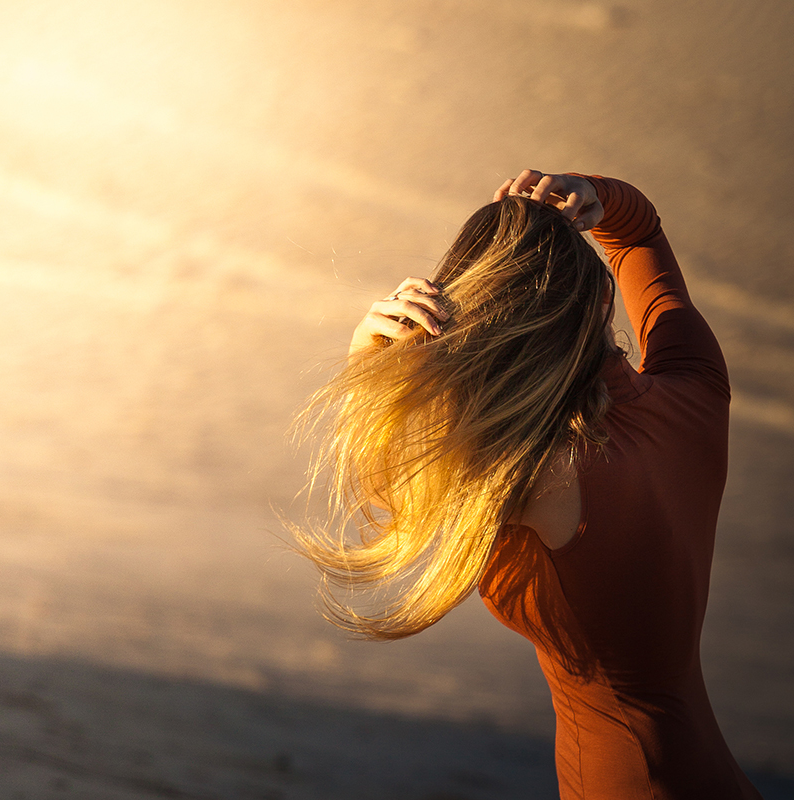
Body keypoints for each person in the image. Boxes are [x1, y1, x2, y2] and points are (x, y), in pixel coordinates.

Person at [291, 169, 761, 799]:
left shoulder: (537, 478)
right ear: (601, 304)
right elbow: (639, 232)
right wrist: (595, 195)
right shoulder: (696, 382)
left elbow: (391, 496)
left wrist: (366, 357)